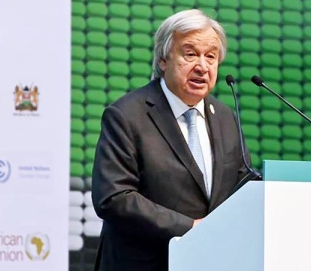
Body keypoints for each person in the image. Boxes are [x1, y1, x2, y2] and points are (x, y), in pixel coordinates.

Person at [91, 9, 254, 271]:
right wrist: (190, 228)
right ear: (164, 59)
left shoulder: (224, 117)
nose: (202, 65)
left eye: (210, 56)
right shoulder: (127, 115)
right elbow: (114, 197)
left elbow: (242, 185)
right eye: (190, 54)